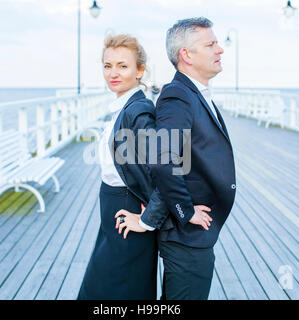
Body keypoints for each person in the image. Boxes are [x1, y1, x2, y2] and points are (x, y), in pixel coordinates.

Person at [115, 17, 237, 300]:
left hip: (193, 235)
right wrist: (185, 210)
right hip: (186, 234)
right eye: (211, 44)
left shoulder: (194, 93)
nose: (220, 50)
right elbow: (164, 158)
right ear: (187, 55)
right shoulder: (177, 95)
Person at [77, 34, 166, 300]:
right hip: (112, 210)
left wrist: (149, 218)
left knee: (118, 289)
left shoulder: (138, 110)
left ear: (140, 70)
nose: (113, 73)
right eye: (107, 65)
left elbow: (165, 166)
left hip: (126, 212)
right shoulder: (123, 105)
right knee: (109, 287)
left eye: (122, 66)